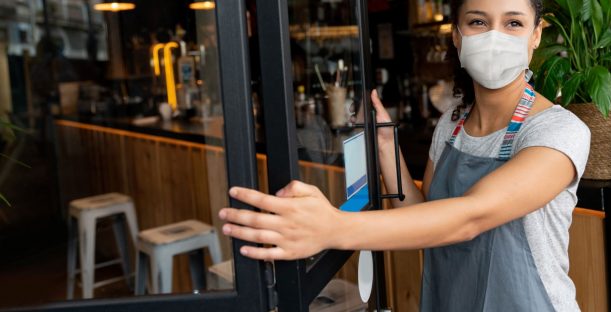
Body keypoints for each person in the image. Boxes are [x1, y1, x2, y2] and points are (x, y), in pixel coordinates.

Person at [218, 0, 590, 310]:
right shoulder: (451, 125)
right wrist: (385, 147)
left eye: (513, 23)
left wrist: (332, 228)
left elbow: (471, 216)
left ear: (535, 35)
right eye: (478, 22)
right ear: (457, 35)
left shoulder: (557, 131)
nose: (495, 36)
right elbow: (424, 215)